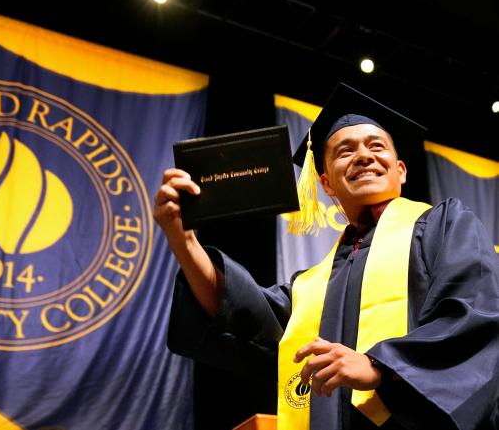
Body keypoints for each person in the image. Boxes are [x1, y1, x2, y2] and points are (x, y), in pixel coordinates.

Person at [154, 83, 499, 430]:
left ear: (401, 171)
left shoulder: (444, 225)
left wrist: (380, 366)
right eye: (344, 151)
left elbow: (478, 312)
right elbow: (241, 313)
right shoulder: (311, 285)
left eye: (376, 146)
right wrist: (185, 242)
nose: (363, 155)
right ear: (327, 184)